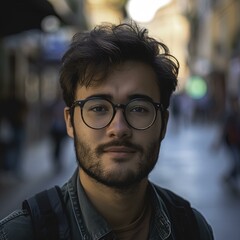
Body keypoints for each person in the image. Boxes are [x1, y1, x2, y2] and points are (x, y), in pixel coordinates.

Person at [0, 21, 214, 240]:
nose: (119, 129)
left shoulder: (192, 229)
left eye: (139, 108)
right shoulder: (20, 234)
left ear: (164, 124)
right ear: (70, 122)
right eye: (99, 108)